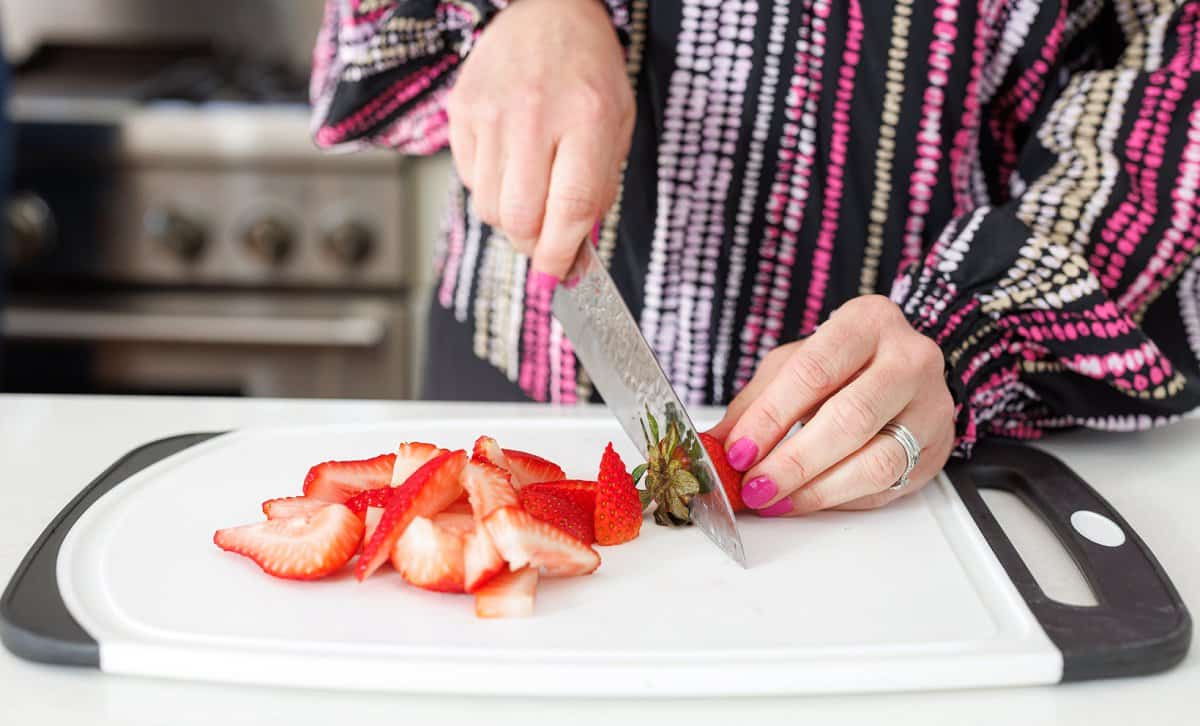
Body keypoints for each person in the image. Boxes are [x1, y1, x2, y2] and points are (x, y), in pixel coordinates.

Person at [311, 0, 1200, 516]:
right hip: (519, 383)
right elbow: (373, 44)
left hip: (908, 439)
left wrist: (967, 333)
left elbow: (1157, 112)